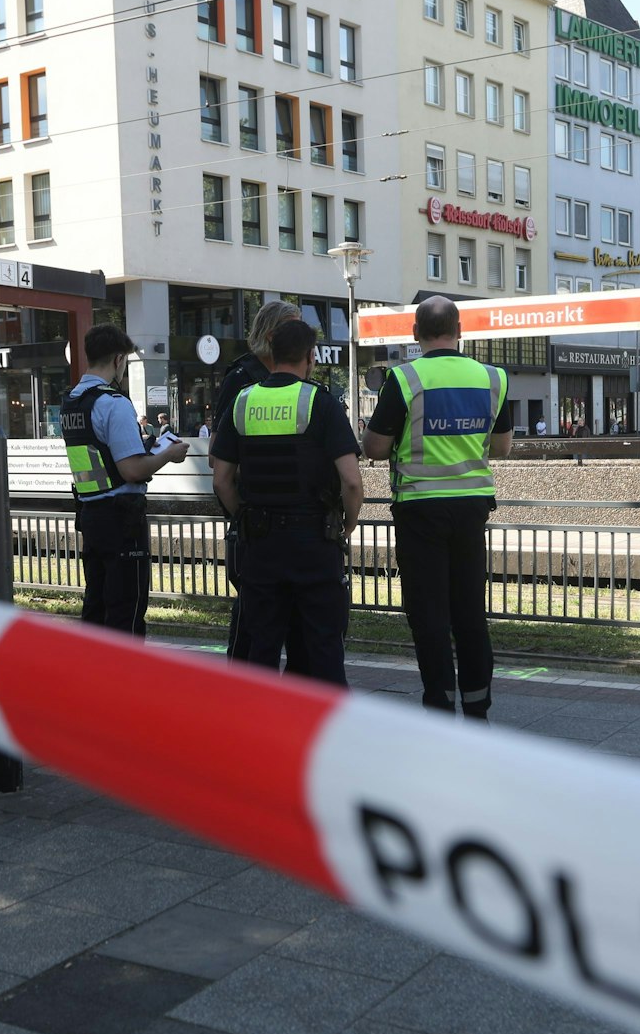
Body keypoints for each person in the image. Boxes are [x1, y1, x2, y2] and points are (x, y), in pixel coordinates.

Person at [363, 296, 511, 720]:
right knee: (469, 611)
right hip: (471, 508)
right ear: (460, 331)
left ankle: (440, 704)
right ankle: (478, 704)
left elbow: (374, 446)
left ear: (415, 334)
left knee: (429, 613)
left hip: (420, 509)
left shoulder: (405, 378)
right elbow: (501, 448)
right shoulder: (492, 378)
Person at [209, 319, 362, 685]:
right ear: (310, 357)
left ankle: (256, 733)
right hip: (313, 542)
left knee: (260, 647)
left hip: (260, 545)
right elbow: (352, 481)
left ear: (271, 353)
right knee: (323, 648)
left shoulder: (242, 402)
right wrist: (348, 523)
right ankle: (324, 733)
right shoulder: (319, 403)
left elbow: (221, 479)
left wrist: (244, 517)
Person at [63, 325, 190, 637]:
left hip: (90, 513)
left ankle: (92, 680)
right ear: (118, 359)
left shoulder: (73, 401)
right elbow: (132, 471)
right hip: (121, 518)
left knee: (96, 607)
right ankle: (124, 683)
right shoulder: (114, 402)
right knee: (126, 612)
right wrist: (168, 455)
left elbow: (101, 457)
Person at [212, 301, 315, 675]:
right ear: (273, 335)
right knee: (253, 623)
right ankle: (242, 693)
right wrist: (241, 513)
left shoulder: (297, 382)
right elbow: (220, 458)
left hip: (291, 521)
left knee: (288, 620)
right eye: (295, 328)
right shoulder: (243, 377)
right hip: (254, 523)